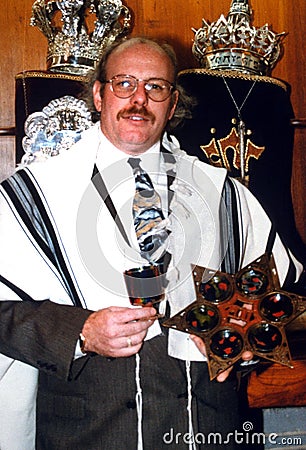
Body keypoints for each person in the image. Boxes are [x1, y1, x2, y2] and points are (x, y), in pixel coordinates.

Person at [0, 37, 302, 450]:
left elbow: (278, 295)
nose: (139, 99)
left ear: (172, 104)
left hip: (207, 430)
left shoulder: (223, 195)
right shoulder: (31, 195)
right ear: (98, 94)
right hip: (91, 434)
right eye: (124, 83)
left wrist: (241, 328)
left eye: (155, 87)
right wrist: (80, 332)